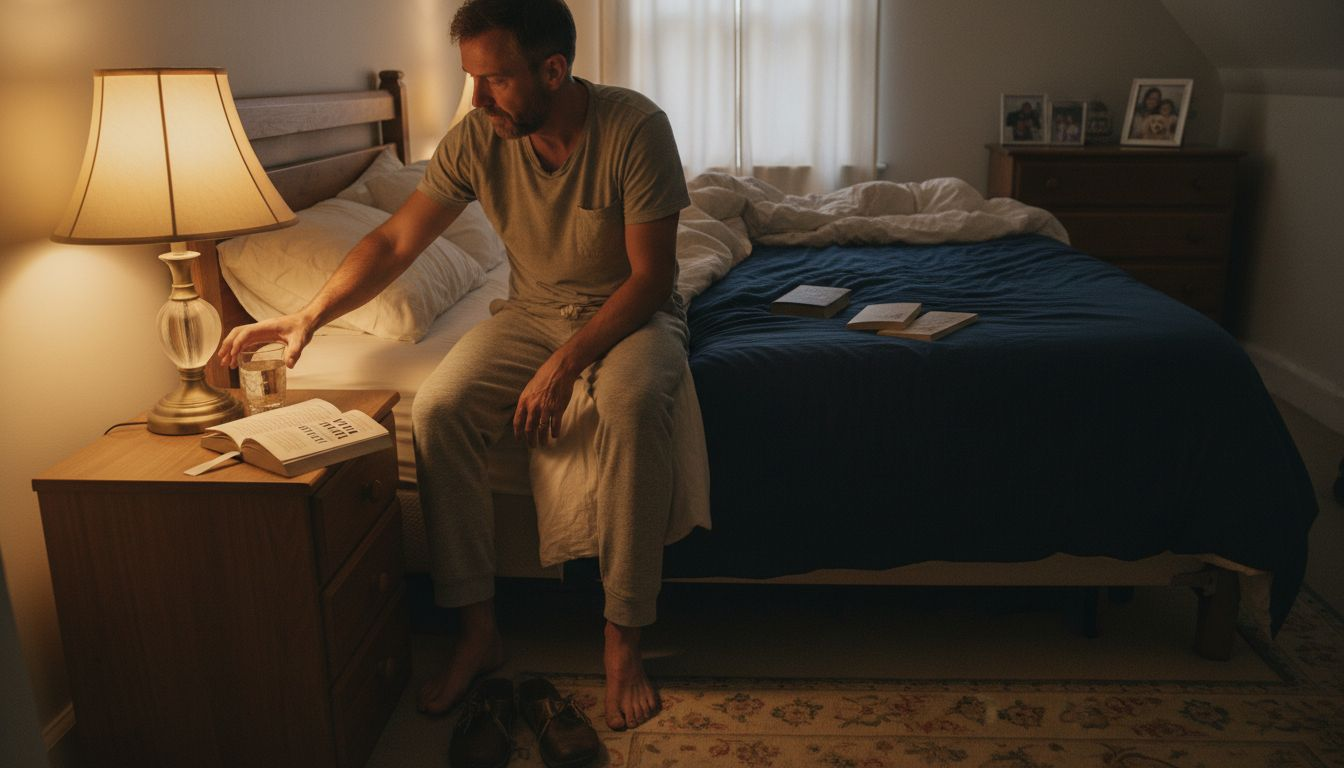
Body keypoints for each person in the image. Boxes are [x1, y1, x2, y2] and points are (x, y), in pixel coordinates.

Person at [218, 0, 689, 733]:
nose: (478, 99)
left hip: (631, 313)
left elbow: (651, 278)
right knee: (438, 411)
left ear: (553, 70)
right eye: (472, 78)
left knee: (628, 407)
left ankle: (622, 634)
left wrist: (565, 364)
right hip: (531, 313)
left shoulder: (635, 128)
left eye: (494, 79)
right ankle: (478, 630)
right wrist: (309, 314)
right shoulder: (477, 138)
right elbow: (394, 242)